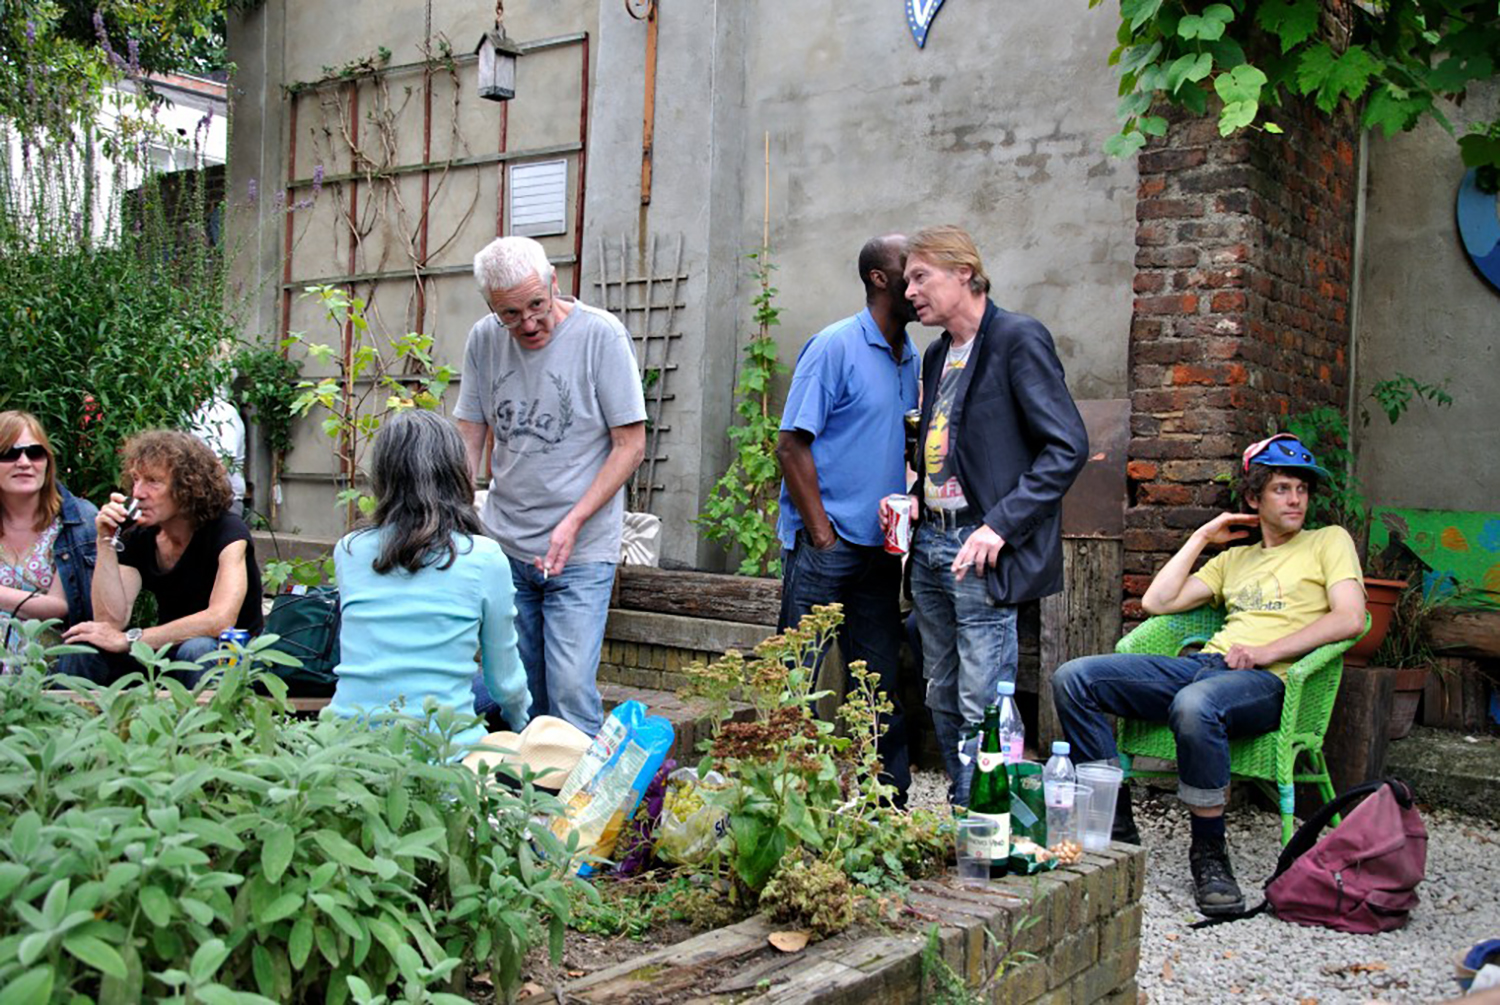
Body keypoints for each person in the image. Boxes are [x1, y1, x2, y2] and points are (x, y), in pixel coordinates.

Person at [1052, 434, 1367, 917]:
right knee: (1075, 677)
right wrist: (1203, 536)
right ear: (1252, 498)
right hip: (1207, 666)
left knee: (1196, 704)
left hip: (1271, 682)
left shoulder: (1328, 542)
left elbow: (1350, 618)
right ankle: (1116, 824)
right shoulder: (1234, 560)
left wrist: (1266, 652)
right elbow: (1157, 602)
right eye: (1282, 488)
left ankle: (1209, 854)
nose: (1296, 499)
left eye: (1301, 489)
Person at [893, 224, 1087, 805]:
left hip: (979, 548)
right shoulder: (935, 355)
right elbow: (942, 448)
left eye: (920, 276)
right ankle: (963, 800)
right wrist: (910, 495)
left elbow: (1066, 446)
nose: (910, 292)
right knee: (940, 689)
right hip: (930, 546)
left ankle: (988, 813)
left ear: (964, 273)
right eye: (906, 281)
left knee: (983, 696)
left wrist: (1000, 525)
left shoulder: (1017, 339)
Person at [455, 236, 646, 737]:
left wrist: (573, 521)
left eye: (536, 304)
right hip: (508, 549)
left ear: (555, 282)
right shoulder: (483, 340)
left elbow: (630, 444)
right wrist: (452, 512)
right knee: (516, 692)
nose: (529, 323)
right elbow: (469, 431)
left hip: (580, 553)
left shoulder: (602, 336)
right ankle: (523, 808)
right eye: (511, 314)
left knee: (569, 694)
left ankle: (577, 813)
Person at [775, 234, 919, 803]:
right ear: (879, 279)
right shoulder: (835, 346)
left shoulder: (910, 354)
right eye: (911, 270)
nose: (920, 280)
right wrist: (822, 535)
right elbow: (790, 445)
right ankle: (788, 795)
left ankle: (889, 798)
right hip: (827, 546)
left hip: (881, 551)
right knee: (799, 677)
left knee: (881, 679)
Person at [326, 410, 529, 749]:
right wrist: (522, 727)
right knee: (488, 688)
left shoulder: (349, 551)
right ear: (455, 473)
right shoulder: (484, 558)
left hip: (348, 740)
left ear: (384, 476)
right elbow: (505, 683)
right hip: (442, 753)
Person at [64, 430, 263, 683]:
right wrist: (105, 540)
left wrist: (131, 639)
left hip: (233, 658)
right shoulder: (141, 537)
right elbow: (110, 622)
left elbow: (220, 620)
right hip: (168, 654)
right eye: (136, 479)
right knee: (85, 645)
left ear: (187, 487)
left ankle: (211, 724)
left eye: (153, 481)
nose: (137, 492)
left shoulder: (228, 531)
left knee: (197, 649)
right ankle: (72, 721)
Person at [0, 411, 99, 675]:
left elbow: (58, 608)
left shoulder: (79, 521)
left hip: (52, 654)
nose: (24, 462)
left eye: (34, 452)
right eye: (9, 453)